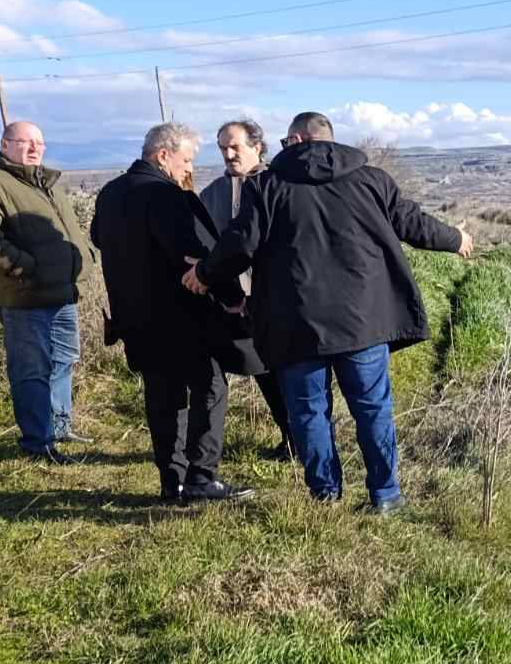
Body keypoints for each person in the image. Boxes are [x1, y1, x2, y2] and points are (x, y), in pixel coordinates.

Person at [185, 111, 473, 514]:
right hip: (364, 321)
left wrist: (203, 274)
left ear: (298, 140)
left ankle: (325, 497)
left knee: (309, 413)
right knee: (372, 408)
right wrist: (456, 238)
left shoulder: (266, 187)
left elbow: (240, 245)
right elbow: (413, 224)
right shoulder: (371, 180)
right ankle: (386, 495)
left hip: (296, 323)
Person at [92, 122, 254, 504]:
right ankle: (201, 477)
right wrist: (232, 297)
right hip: (181, 317)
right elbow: (192, 255)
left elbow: (98, 237)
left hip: (134, 317)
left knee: (162, 397)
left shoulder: (110, 193)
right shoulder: (164, 195)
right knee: (210, 387)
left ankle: (172, 480)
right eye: (187, 160)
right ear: (163, 155)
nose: (189, 169)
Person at [0, 120, 94, 464]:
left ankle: (58, 427)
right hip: (25, 295)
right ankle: (37, 442)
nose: (34, 148)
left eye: (39, 142)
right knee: (31, 370)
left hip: (63, 293)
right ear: (5, 145)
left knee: (63, 360)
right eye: (25, 142)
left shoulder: (47, 183)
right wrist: (23, 267)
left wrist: (85, 257)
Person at [198, 118, 293, 459]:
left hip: (278, 299)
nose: (228, 154)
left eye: (235, 146)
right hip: (231, 303)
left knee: (285, 372)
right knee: (259, 369)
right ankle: (289, 437)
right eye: (223, 148)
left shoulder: (280, 186)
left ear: (257, 146)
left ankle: (299, 438)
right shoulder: (212, 194)